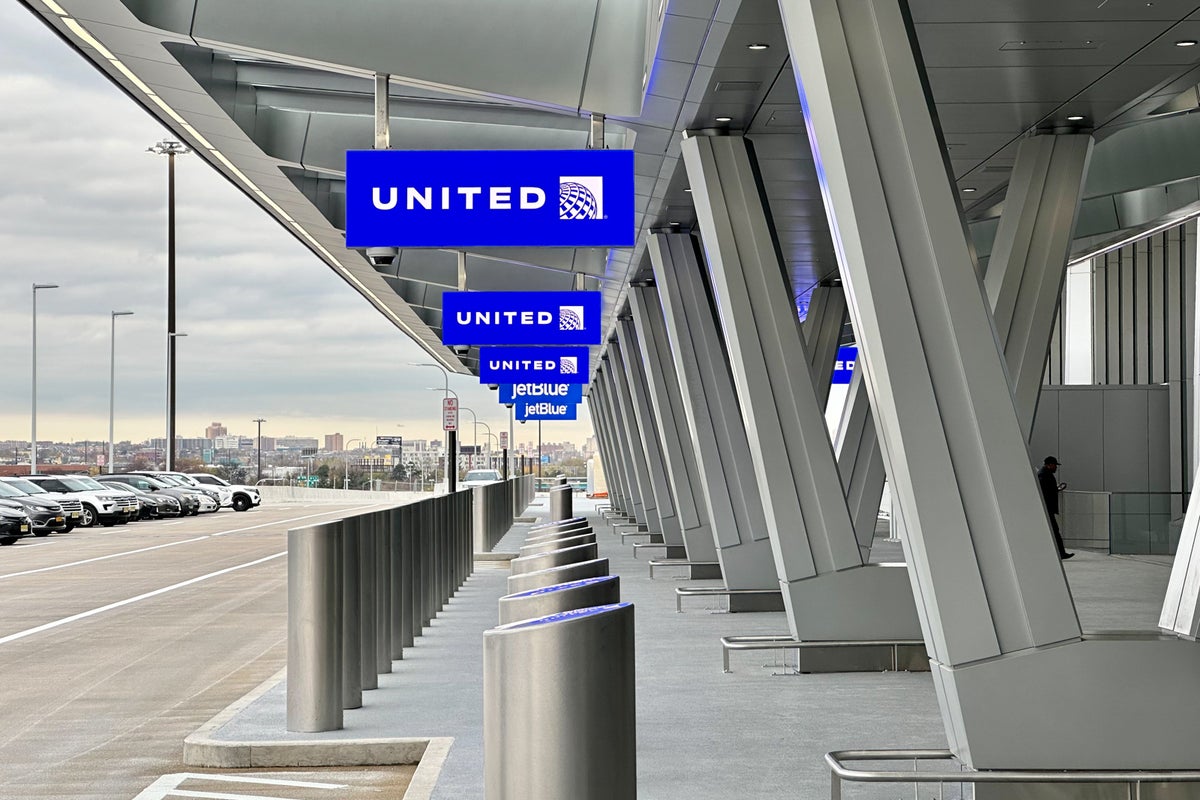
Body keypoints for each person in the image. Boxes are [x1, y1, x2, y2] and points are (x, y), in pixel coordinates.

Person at [1037, 456, 1073, 560]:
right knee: (1054, 531)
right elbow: (1045, 492)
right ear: (1049, 465)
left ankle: (1060, 553)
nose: (1056, 467)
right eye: (1055, 465)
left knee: (1053, 531)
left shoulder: (1044, 474)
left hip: (1046, 509)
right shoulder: (1044, 475)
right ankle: (1061, 553)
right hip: (1047, 509)